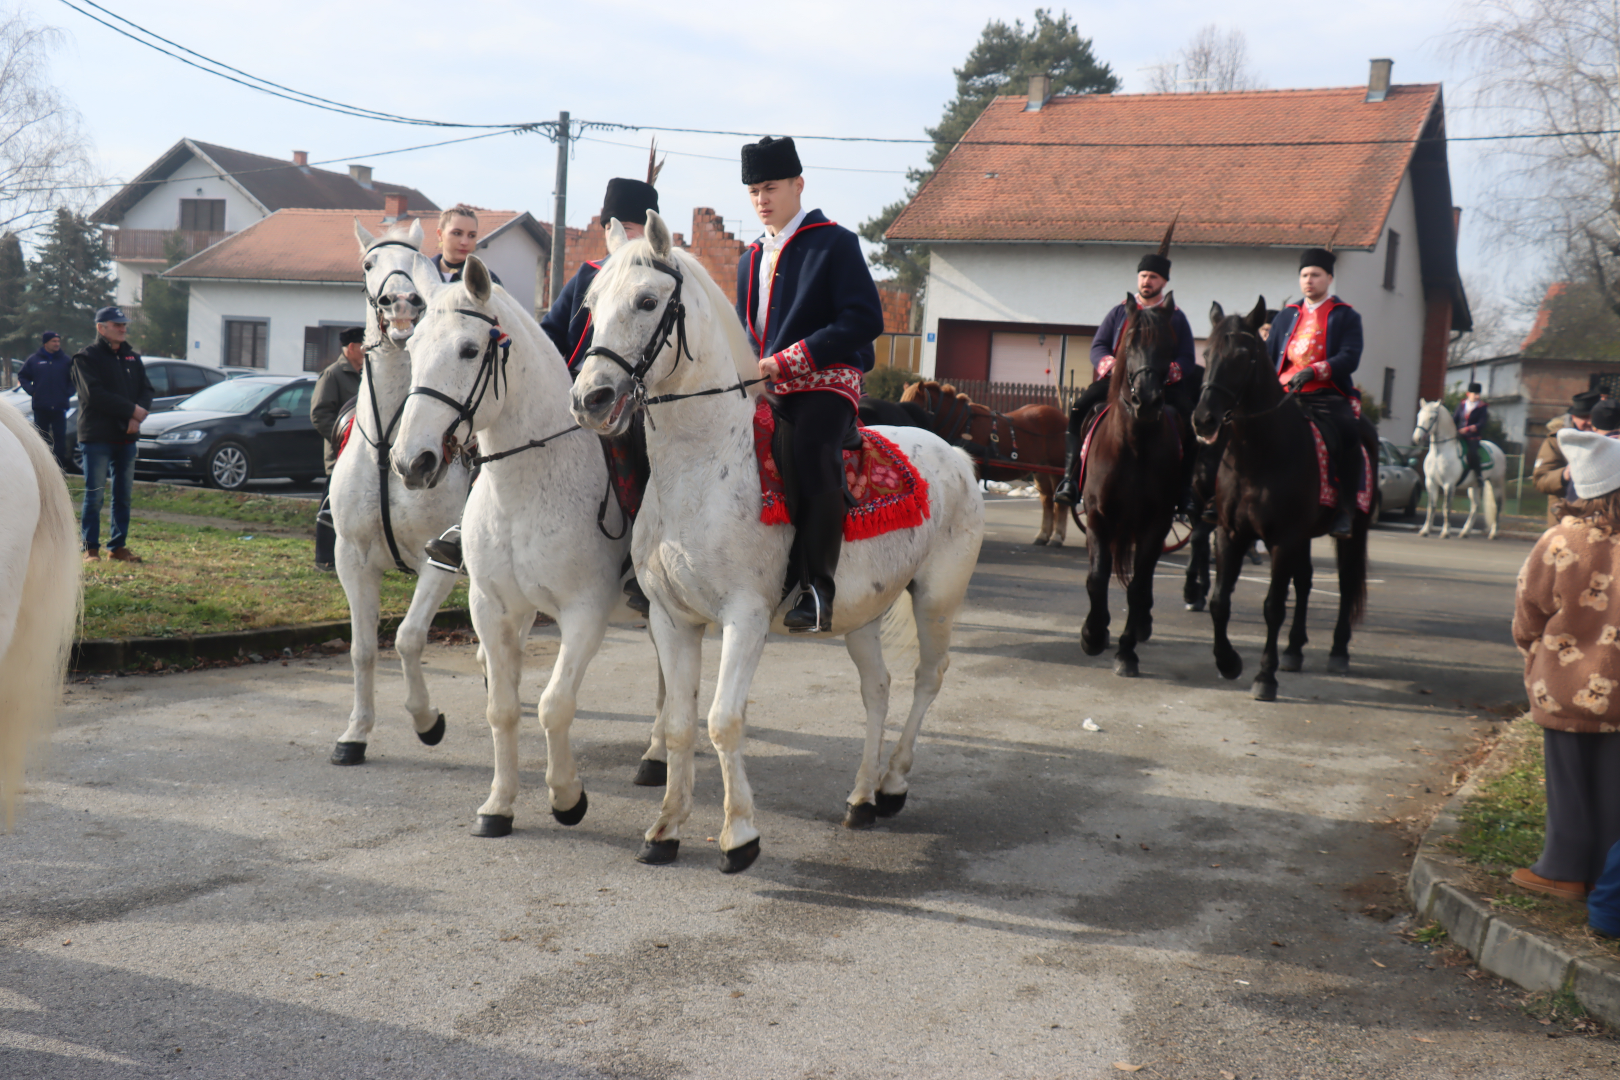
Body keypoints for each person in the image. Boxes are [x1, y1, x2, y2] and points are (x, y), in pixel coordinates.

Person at [423, 173, 665, 617]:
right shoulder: (588, 275)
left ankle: (644, 552)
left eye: (629, 228)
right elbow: (549, 334)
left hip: (625, 398)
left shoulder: (653, 281)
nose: (618, 235)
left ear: (646, 232)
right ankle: (464, 530)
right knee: (497, 442)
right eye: (611, 226)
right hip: (566, 392)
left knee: (641, 448)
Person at [736, 135, 883, 633]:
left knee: (811, 447)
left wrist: (790, 359)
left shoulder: (835, 242)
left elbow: (865, 319)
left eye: (771, 187)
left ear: (798, 185)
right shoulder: (748, 258)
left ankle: (817, 588)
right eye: (753, 191)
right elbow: (746, 330)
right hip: (767, 385)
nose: (761, 199)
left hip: (827, 379)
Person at [1509, 426, 1620, 902]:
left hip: (1563, 683)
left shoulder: (1560, 540)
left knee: (1568, 779)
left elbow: (1529, 608)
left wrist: (1530, 651)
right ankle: (1605, 877)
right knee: (1613, 784)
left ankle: (1562, 870)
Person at [1053, 238, 1197, 508]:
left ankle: (1186, 491)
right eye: (1143, 276)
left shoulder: (1176, 317)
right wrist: (1112, 366)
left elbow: (1187, 357)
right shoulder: (1120, 312)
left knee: (1191, 422)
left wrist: (1168, 372)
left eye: (1153, 277)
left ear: (1164, 282)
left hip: (1162, 386)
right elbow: (1098, 346)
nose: (1147, 281)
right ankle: (1070, 480)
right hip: (1116, 383)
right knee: (1078, 410)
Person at [1267, 248, 1365, 539]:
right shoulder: (1285, 316)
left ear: (1329, 278)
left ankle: (1345, 508)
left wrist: (1316, 370)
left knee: (1348, 432)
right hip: (1282, 394)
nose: (1309, 280)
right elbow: (1269, 355)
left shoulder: (1345, 315)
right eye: (1304, 275)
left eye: (1315, 275)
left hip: (1325, 392)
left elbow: (1350, 356)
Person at [72, 305, 153, 563]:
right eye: (117, 324)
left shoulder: (132, 358)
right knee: (95, 494)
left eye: (124, 324)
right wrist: (130, 410)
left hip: (126, 437)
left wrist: (136, 415)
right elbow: (94, 395)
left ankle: (117, 547)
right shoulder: (86, 358)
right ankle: (90, 548)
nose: (122, 328)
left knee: (123, 496)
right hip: (97, 436)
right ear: (101, 328)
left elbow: (146, 390)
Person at [310, 326, 366, 572]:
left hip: (366, 455)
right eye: (363, 346)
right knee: (330, 508)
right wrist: (344, 440)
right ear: (351, 347)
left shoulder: (367, 373)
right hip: (341, 455)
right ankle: (325, 558)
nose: (367, 350)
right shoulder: (333, 374)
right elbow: (320, 414)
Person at [1534, 390, 1600, 524]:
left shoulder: (1612, 440)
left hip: (1602, 519)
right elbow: (1540, 479)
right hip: (1564, 518)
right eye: (1584, 417)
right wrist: (1564, 474)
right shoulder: (1556, 441)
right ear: (1573, 417)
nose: (1589, 422)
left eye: (1593, 417)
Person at [18, 330, 74, 470]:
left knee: (59, 439)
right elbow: (23, 376)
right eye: (54, 341)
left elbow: (74, 379)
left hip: (59, 407)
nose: (57, 344)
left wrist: (67, 393)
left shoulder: (66, 360)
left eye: (58, 341)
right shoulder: (34, 360)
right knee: (40, 438)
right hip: (41, 406)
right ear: (45, 343)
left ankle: (59, 469)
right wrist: (32, 391)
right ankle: (40, 467)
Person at [431, 205, 501, 286]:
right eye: (457, 233)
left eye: (471, 235)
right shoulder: (423, 273)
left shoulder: (487, 280)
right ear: (440, 234)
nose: (465, 242)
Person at [1454, 382, 1490, 483]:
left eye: (1478, 394)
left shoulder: (1482, 407)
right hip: (1459, 435)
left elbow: (1482, 423)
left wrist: (1467, 429)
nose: (1477, 396)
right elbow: (1455, 419)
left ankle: (1479, 476)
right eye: (1475, 394)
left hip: (1473, 437)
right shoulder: (1461, 405)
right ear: (1468, 394)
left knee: (1473, 453)